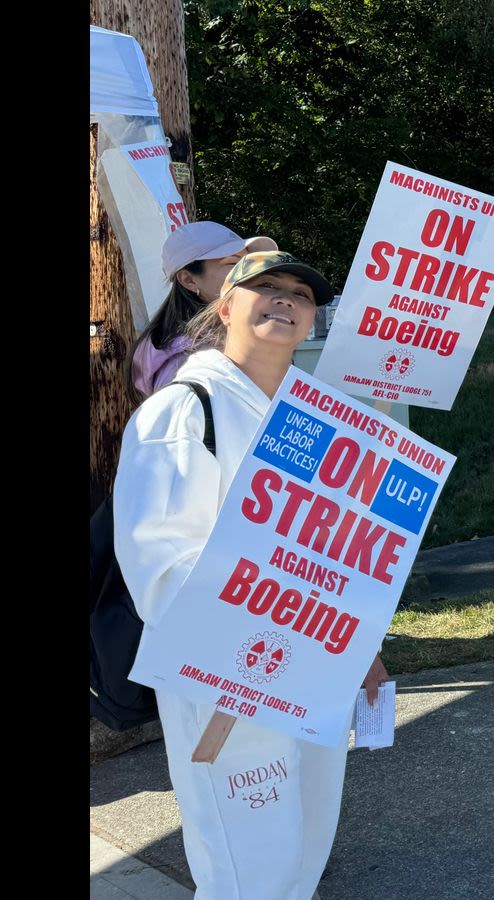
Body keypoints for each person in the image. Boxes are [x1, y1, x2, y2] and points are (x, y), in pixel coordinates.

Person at [115, 251, 385, 900]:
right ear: (224, 306)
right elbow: (157, 565)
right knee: (249, 869)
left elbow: (335, 556)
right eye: (264, 287)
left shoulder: (317, 422)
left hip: (313, 669)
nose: (285, 299)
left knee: (303, 850)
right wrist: (259, 620)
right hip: (227, 677)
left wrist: (362, 647)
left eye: (300, 293)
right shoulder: (182, 412)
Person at [128, 221, 278, 398]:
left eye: (247, 263)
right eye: (233, 264)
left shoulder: (241, 337)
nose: (249, 274)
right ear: (188, 280)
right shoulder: (183, 365)